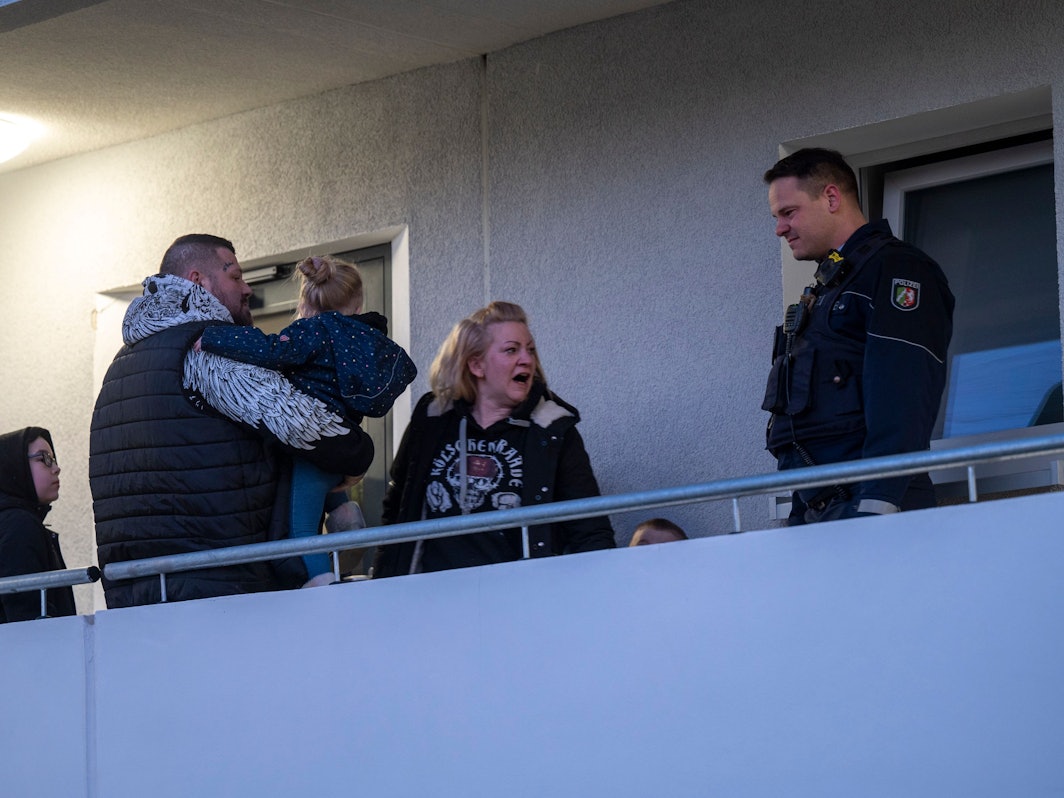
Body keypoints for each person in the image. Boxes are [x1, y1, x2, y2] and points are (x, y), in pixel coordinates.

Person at [90, 234, 375, 607]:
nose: (247, 289)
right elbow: (304, 425)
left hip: (136, 600)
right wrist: (357, 452)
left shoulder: (120, 366)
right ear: (197, 281)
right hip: (225, 592)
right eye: (236, 276)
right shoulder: (209, 348)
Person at [196, 254, 416, 586]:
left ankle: (323, 586)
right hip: (340, 442)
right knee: (326, 490)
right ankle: (347, 522)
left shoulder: (315, 331)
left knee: (301, 527)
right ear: (357, 304)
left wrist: (214, 339)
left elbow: (270, 349)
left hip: (311, 443)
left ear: (306, 303)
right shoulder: (365, 336)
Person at [762, 148, 955, 525]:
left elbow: (903, 391)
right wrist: (800, 512)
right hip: (824, 509)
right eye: (776, 217)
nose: (779, 228)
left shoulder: (897, 268)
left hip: (872, 508)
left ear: (831, 197)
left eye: (788, 212)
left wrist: (879, 502)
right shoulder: (830, 286)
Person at [373, 301, 615, 576]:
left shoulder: (553, 429)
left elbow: (590, 529)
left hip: (519, 601)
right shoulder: (433, 418)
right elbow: (397, 508)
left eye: (530, 350)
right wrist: (383, 583)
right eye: (512, 350)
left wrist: (602, 590)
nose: (527, 359)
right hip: (431, 599)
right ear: (477, 365)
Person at [0, 427, 76, 622]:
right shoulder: (19, 524)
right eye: (44, 459)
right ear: (14, 467)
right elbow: (26, 611)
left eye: (54, 459)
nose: (56, 468)